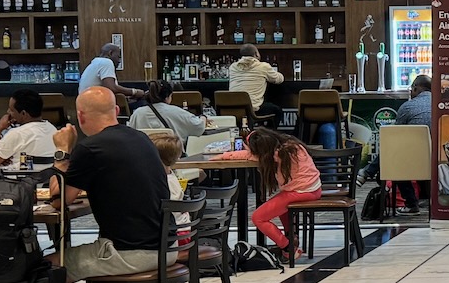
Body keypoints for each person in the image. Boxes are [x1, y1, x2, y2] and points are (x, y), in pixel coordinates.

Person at [45, 86, 169, 283]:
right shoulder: (140, 139)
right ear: (116, 111)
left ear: (80, 116)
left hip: (131, 252)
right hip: (164, 244)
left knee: (45, 271)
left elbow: (58, 200)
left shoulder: (91, 148)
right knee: (89, 258)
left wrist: (62, 150)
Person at [221, 128, 321, 265]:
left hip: (301, 192)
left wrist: (224, 155)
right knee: (280, 206)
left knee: (258, 217)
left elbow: (248, 155)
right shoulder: (291, 144)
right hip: (313, 189)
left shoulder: (277, 154)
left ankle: (288, 247)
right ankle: (291, 236)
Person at [0, 89, 59, 172]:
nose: (7, 112)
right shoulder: (53, 130)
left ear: (23, 113)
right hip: (46, 181)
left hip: (15, 182)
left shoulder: (17, 134)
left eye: (11, 110)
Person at [390, 73, 433, 212]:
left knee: (394, 156)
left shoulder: (407, 107)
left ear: (415, 88)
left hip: (413, 161)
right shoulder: (441, 105)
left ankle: (411, 204)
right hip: (440, 159)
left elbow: (396, 137)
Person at [127, 79, 208, 144]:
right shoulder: (176, 112)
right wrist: (203, 117)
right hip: (172, 159)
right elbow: (199, 127)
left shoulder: (137, 113)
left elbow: (130, 135)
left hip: (146, 159)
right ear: (167, 97)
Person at [228, 43, 284, 125]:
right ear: (256, 54)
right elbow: (279, 79)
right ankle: (267, 136)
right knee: (277, 111)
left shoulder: (232, 67)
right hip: (253, 109)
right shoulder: (263, 67)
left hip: (232, 108)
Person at [78, 43, 146, 102]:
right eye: (118, 57)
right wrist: (134, 92)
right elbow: (111, 88)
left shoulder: (95, 63)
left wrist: (126, 98)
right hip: (95, 106)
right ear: (110, 53)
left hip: (85, 103)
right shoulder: (106, 62)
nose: (119, 61)